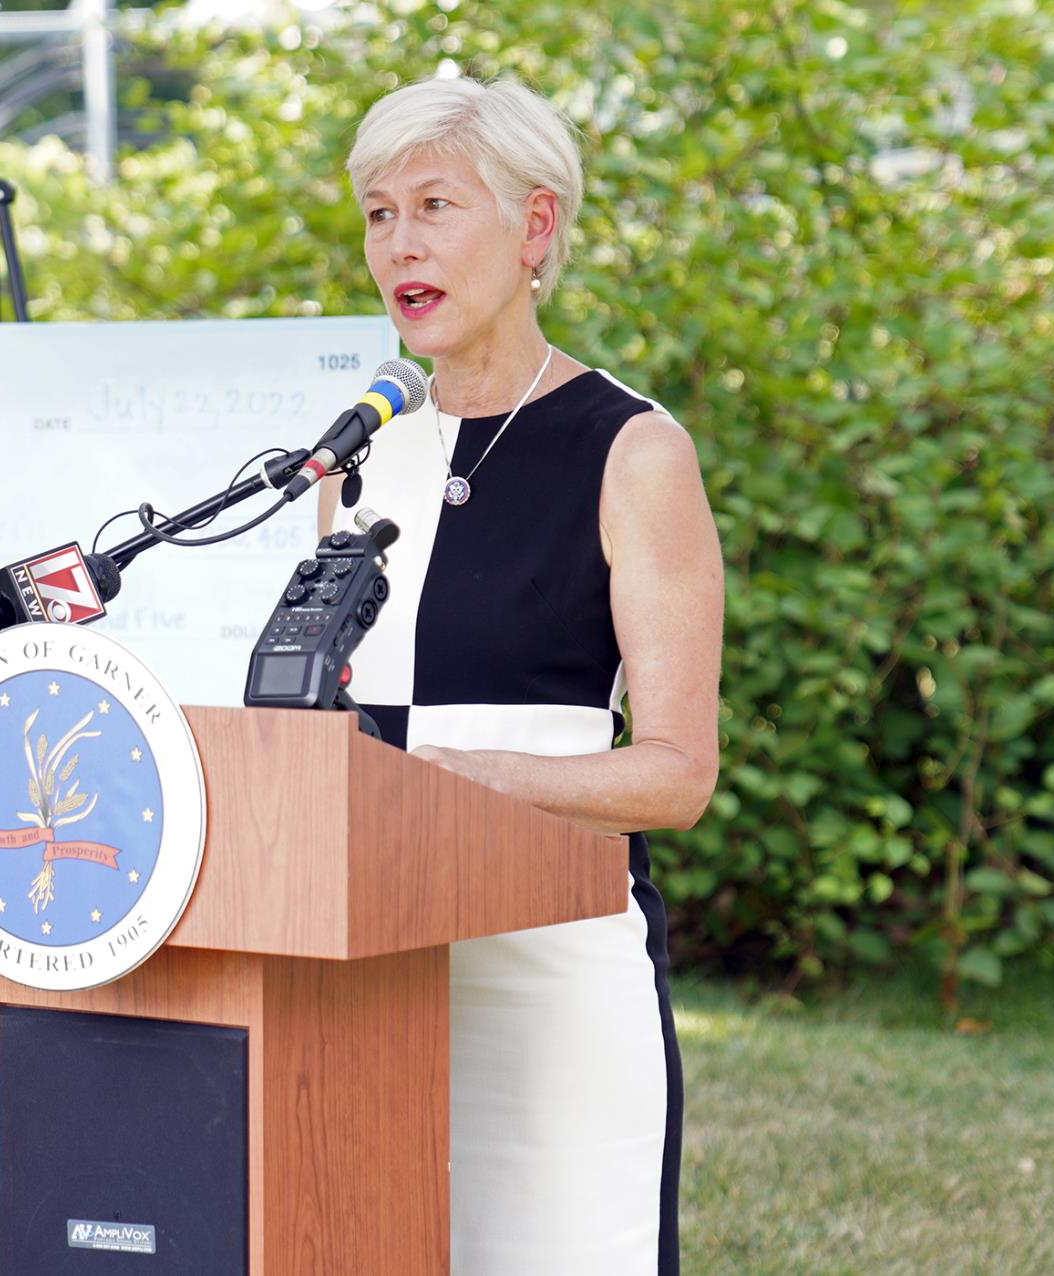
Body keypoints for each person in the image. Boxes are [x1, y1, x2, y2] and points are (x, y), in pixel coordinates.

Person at [317, 75, 724, 1275]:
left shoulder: (631, 449)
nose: (401, 244)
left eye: (435, 205)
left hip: (553, 986)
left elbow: (675, 776)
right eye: (380, 214)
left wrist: (446, 778)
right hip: (367, 983)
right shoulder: (358, 455)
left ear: (535, 227)